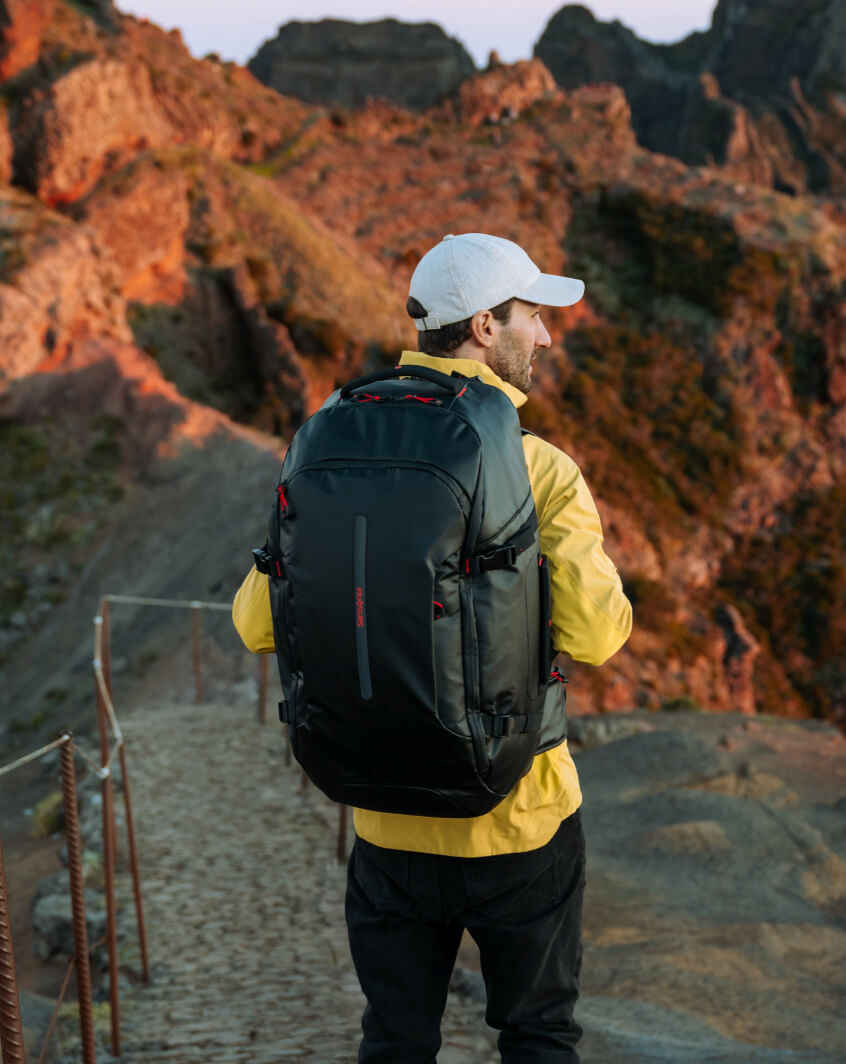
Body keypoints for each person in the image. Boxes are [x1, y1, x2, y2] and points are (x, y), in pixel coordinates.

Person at [233, 232, 632, 1063]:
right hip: (519, 816)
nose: (546, 336)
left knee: (396, 1038)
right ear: (485, 327)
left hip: (385, 818)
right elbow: (597, 637)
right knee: (537, 1035)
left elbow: (252, 623)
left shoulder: (328, 448)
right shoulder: (538, 468)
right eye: (532, 317)